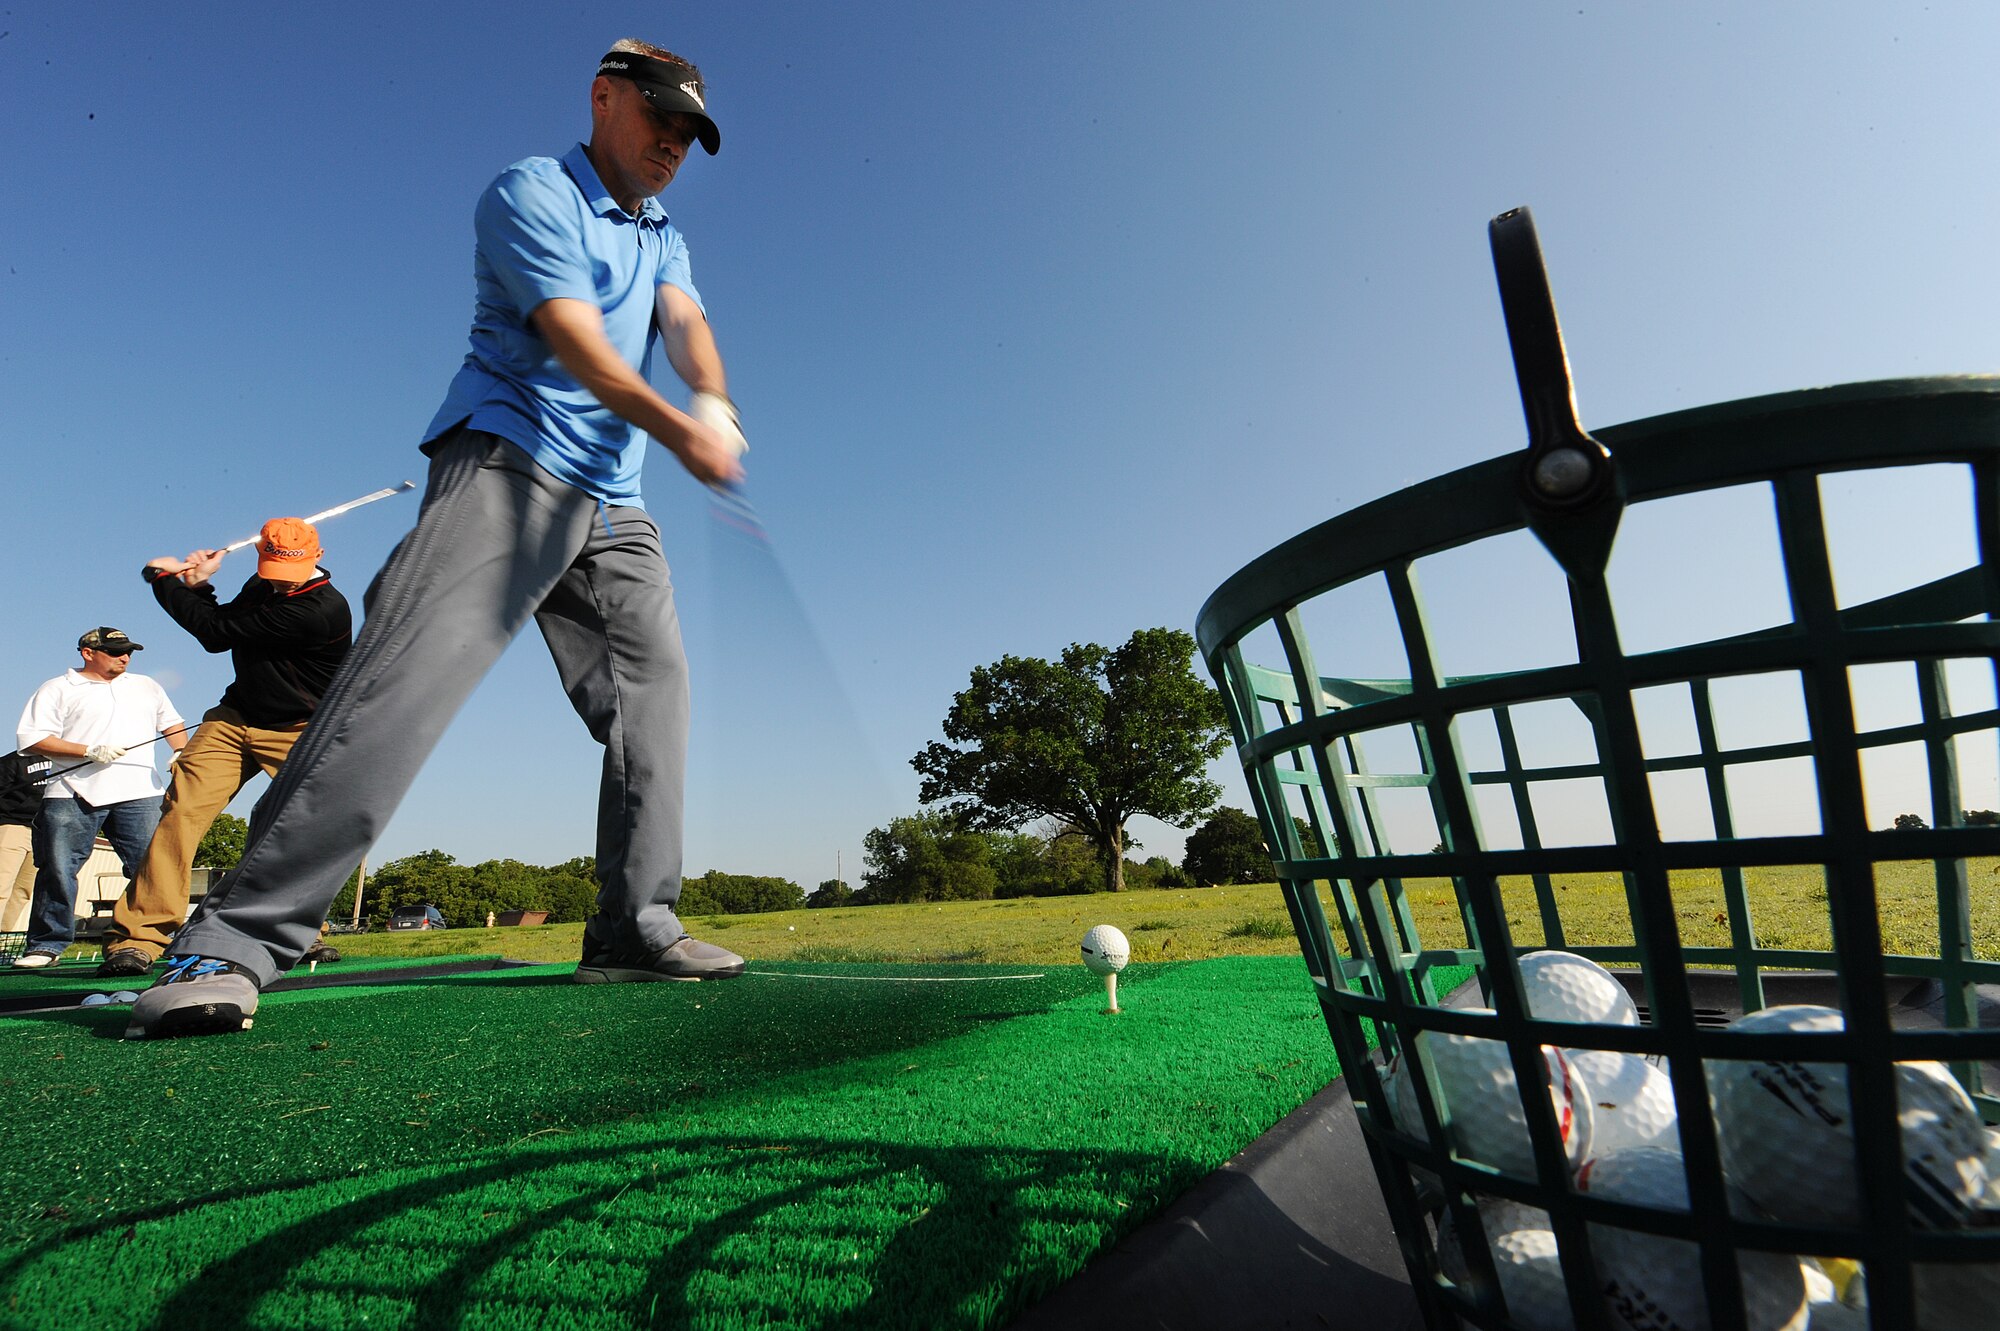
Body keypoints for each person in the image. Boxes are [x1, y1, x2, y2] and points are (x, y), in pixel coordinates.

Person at [128, 38, 749, 1038]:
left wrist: (711, 392)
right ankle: (236, 935)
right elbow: (574, 337)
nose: (674, 143)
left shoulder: (661, 230)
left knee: (654, 699)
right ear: (603, 98)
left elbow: (681, 320)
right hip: (509, 459)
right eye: (659, 119)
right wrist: (681, 427)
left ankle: (634, 924)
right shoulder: (531, 191)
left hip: (615, 504)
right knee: (407, 678)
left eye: (689, 133)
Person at [95, 519, 353, 978]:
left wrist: (163, 578)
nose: (278, 579)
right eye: (272, 569)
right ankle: (138, 937)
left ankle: (296, 930)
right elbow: (226, 621)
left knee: (293, 829)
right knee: (180, 815)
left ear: (319, 556)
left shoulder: (322, 610)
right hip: (233, 719)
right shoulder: (265, 583)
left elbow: (216, 634)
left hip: (301, 728)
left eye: (287, 573)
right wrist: (199, 587)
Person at [13, 628, 188, 968]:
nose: (124, 657)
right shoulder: (58, 688)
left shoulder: (146, 686)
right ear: (87, 653)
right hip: (70, 792)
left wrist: (180, 749)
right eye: (114, 651)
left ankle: (155, 938)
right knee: (58, 869)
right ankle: (46, 945)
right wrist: (87, 750)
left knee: (152, 869)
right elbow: (32, 740)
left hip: (140, 792)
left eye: (128, 652)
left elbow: (172, 723)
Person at [0, 749, 52, 935]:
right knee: (1, 886)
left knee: (24, 890)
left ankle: (3, 936)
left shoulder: (65, 762)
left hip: (44, 832)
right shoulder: (13, 760)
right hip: (12, 827)